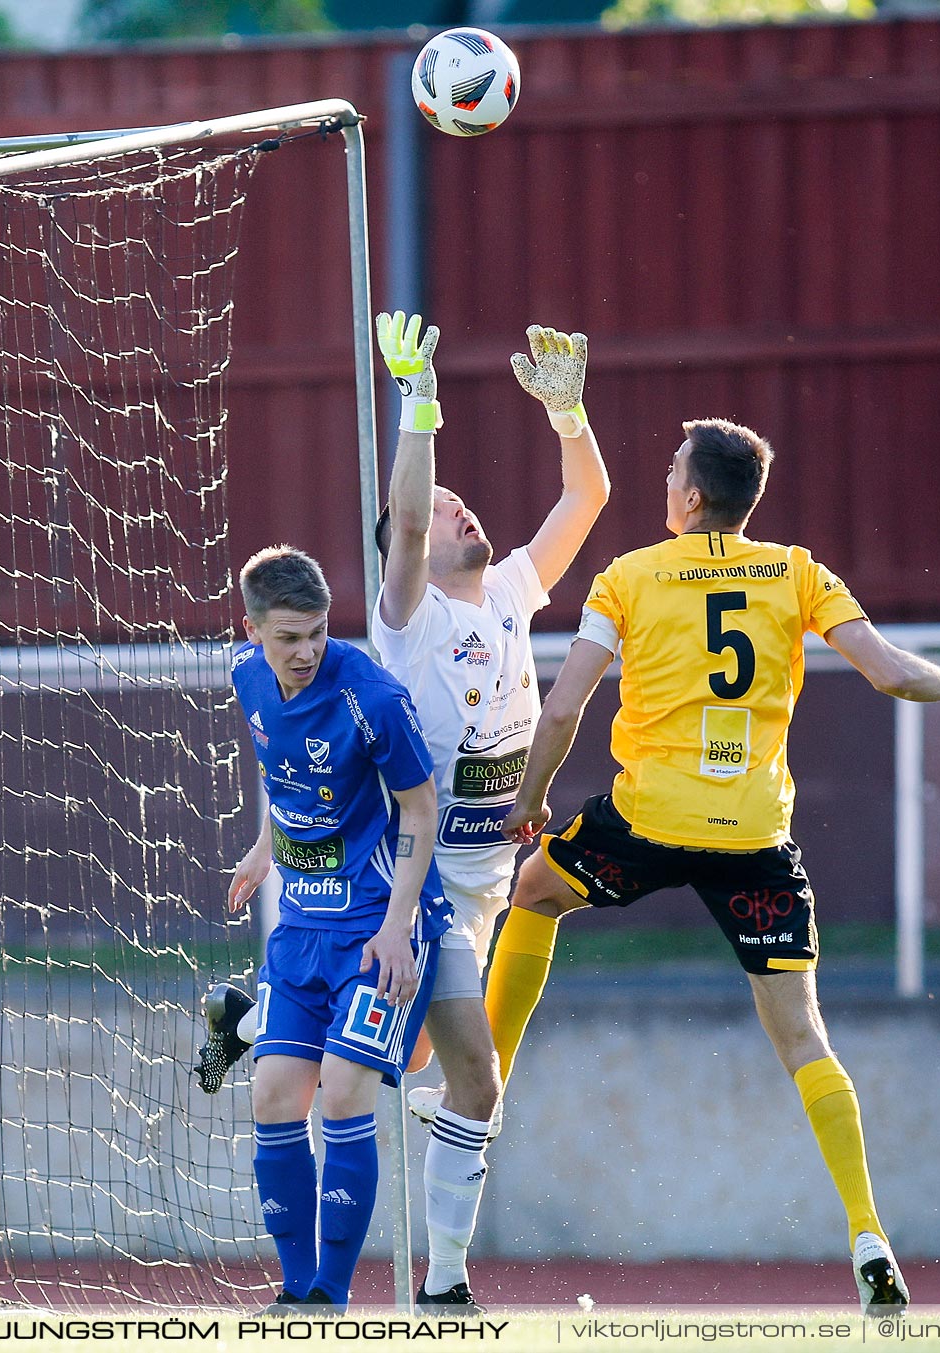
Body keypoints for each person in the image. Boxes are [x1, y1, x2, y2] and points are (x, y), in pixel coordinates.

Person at [486, 418, 940, 1317]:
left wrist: (534, 802)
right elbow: (890, 673)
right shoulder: (796, 569)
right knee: (804, 1036)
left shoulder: (627, 577)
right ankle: (867, 1231)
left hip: (648, 819)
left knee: (535, 889)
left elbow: (561, 709)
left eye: (670, 472)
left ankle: (487, 1087)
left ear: (691, 497)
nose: (663, 482)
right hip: (753, 835)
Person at [367, 312, 610, 1312]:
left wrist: (568, 413)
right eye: (446, 509)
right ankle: (446, 1287)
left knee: (425, 1065)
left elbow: (588, 493)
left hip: (484, 887)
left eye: (467, 505)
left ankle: (253, 1015)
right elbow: (412, 522)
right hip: (418, 885)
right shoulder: (408, 616)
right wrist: (417, 400)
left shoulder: (510, 588)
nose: (463, 514)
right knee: (473, 1085)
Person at [209, 545, 451, 1315]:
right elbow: (290, 780)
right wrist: (262, 850)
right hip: (301, 928)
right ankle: (294, 1291)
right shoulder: (246, 677)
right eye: (288, 637)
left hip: (376, 929)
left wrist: (398, 926)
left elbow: (419, 809)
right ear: (252, 631)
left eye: (317, 632)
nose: (307, 650)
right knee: (274, 1094)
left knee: (344, 1093)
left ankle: (330, 1300)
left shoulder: (372, 696)